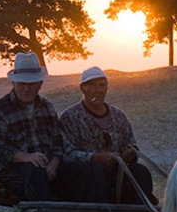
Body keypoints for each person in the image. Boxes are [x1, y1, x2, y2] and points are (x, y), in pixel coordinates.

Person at [0, 52, 90, 201]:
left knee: (82, 169)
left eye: (31, 83)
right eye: (22, 83)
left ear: (40, 84)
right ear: (13, 83)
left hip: (46, 167)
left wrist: (53, 164)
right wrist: (25, 157)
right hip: (11, 171)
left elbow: (57, 143)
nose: (26, 88)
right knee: (33, 172)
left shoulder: (47, 107)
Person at [60, 67, 156, 204]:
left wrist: (128, 153)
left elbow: (131, 143)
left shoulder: (118, 116)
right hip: (88, 175)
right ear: (83, 89)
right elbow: (67, 153)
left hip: (118, 171)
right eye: (92, 86)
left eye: (102, 85)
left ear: (107, 87)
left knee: (141, 172)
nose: (98, 90)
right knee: (98, 170)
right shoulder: (71, 117)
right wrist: (95, 157)